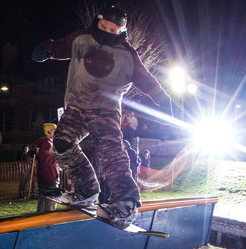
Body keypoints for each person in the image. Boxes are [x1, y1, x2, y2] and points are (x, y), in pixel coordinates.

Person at [31, 4, 171, 225]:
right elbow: (58, 46)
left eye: (113, 31)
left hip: (105, 110)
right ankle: (86, 191)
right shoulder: (81, 39)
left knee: (111, 151)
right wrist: (46, 50)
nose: (107, 33)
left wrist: (161, 98)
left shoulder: (127, 54)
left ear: (121, 32)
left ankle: (126, 202)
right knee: (61, 144)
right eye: (104, 27)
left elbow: (145, 78)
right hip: (76, 107)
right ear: (97, 23)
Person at [36, 123, 59, 212]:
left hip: (48, 174)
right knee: (51, 197)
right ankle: (49, 218)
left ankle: (40, 217)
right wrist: (55, 154)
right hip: (49, 174)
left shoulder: (48, 142)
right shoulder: (46, 143)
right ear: (48, 132)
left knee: (44, 197)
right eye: (54, 131)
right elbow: (46, 159)